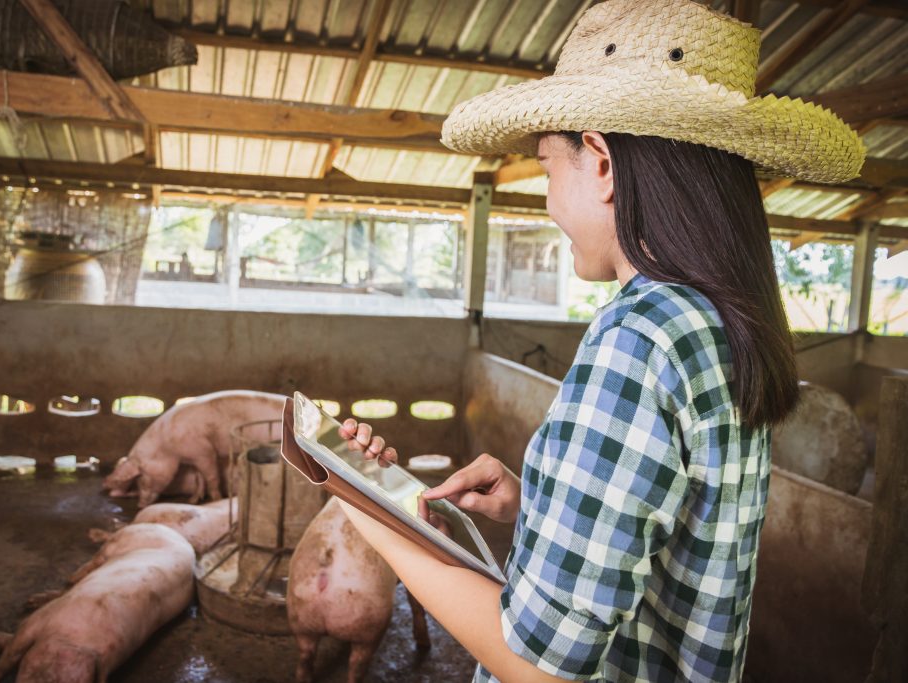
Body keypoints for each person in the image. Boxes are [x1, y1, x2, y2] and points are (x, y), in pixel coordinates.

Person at [335, 1, 865, 682]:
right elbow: (675, 544)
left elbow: (540, 667)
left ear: (603, 163)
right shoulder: (717, 322)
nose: (549, 198)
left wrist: (371, 513)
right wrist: (538, 507)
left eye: (548, 167)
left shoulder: (639, 337)